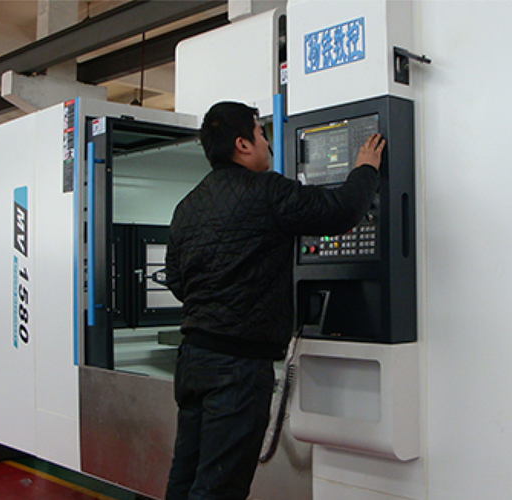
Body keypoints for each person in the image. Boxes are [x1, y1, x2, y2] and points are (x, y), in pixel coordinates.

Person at [164, 101, 385, 500]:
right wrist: (366, 169)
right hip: (238, 368)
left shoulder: (187, 206)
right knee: (219, 489)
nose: (266, 142)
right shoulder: (268, 192)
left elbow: (178, 281)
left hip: (193, 362)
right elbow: (340, 211)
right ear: (242, 144)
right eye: (260, 133)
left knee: (185, 478)